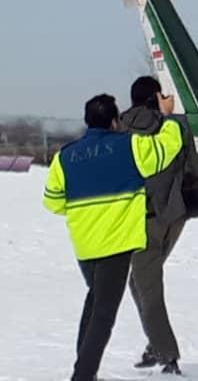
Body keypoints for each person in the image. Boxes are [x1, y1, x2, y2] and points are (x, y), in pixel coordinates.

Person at [44, 93, 185, 381]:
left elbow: (53, 201)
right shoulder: (130, 146)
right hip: (117, 244)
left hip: (85, 246)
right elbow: (168, 147)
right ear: (114, 121)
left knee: (94, 303)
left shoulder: (65, 156)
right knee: (104, 315)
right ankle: (82, 376)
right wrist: (169, 116)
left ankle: (84, 372)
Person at [120, 76, 198, 375]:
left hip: (140, 217)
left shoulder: (120, 127)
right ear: (157, 97)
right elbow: (195, 168)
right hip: (174, 215)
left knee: (146, 285)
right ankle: (158, 345)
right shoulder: (175, 126)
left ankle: (166, 353)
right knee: (141, 283)